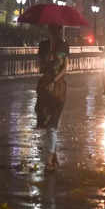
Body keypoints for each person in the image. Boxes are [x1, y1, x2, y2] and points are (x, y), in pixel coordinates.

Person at [35, 24, 69, 171]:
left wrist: (51, 79)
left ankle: (49, 160)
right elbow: (65, 69)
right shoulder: (62, 46)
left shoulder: (46, 46)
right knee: (51, 126)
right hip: (57, 88)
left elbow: (40, 67)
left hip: (49, 88)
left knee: (50, 126)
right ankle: (52, 156)